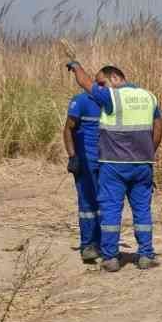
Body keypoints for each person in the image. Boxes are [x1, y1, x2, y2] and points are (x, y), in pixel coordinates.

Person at [63, 54, 162, 272]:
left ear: (116, 78)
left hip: (114, 164)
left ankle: (110, 258)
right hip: (143, 165)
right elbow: (158, 127)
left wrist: (76, 66)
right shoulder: (149, 97)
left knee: (110, 210)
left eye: (103, 83)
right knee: (142, 211)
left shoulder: (112, 97)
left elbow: (85, 82)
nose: (100, 88)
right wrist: (149, 152)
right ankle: (146, 255)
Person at [62, 70, 106, 263]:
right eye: (101, 84)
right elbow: (68, 129)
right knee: (88, 204)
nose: (104, 88)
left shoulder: (111, 103)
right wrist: (73, 156)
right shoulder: (80, 102)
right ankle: (88, 245)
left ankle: (105, 244)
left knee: (106, 205)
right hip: (86, 162)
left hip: (108, 163)